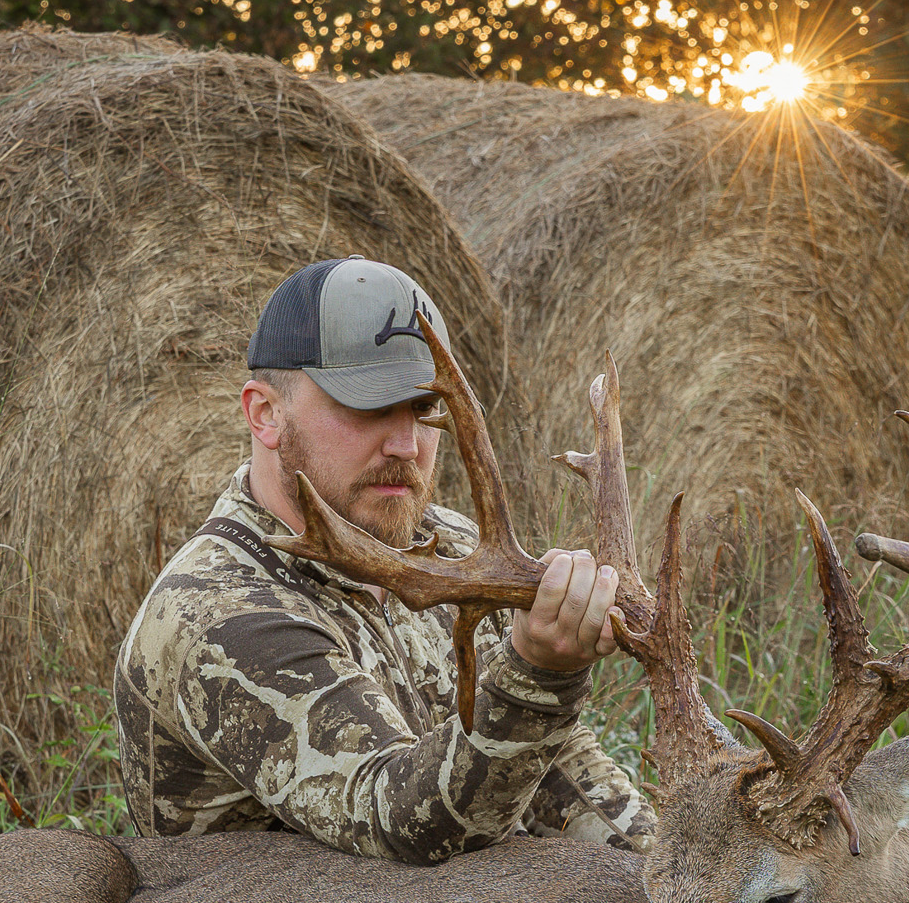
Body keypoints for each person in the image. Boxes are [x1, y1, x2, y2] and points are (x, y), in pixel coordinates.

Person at [116, 256, 654, 862]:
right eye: (369, 408)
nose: (407, 445)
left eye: (426, 410)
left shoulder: (447, 544)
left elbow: (551, 765)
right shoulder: (216, 610)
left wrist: (666, 867)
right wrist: (536, 675)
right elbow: (402, 826)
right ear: (265, 413)